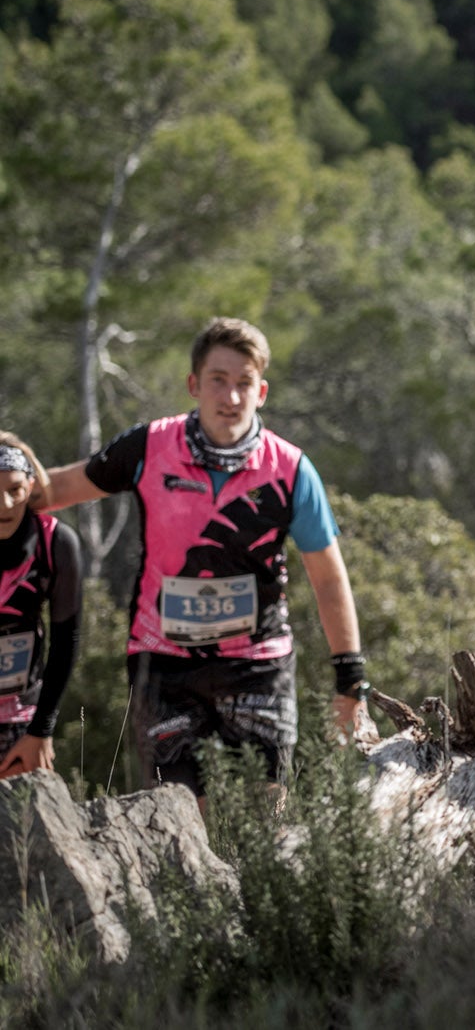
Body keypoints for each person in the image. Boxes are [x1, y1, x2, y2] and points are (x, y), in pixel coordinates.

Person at [39, 318, 371, 800]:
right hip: (164, 664)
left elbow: (328, 580)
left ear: (262, 392)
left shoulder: (291, 469)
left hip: (257, 664)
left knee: (265, 814)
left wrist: (351, 680)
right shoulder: (149, 447)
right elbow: (59, 488)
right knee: (175, 817)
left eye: (244, 383)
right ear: (194, 384)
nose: (230, 397)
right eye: (218, 380)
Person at [0, 433, 83, 779]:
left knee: (21, 829)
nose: (4, 504)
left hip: (21, 716)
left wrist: (42, 729)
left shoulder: (56, 543)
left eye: (15, 490)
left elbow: (67, 641)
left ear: (31, 486)